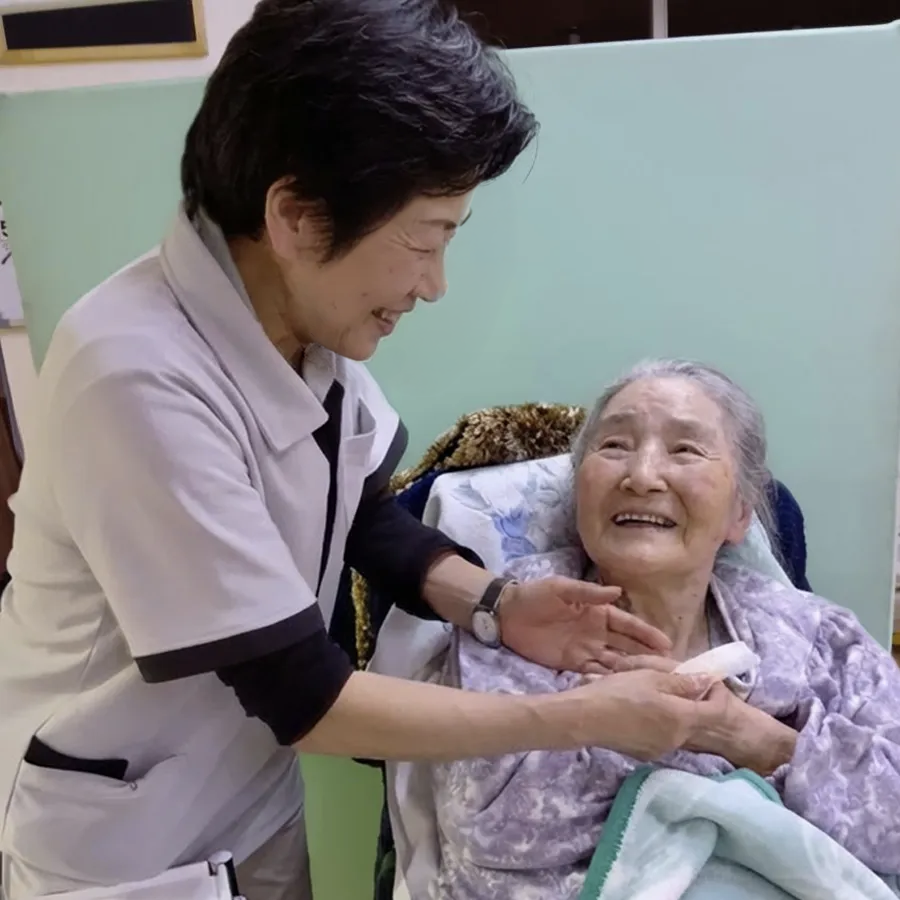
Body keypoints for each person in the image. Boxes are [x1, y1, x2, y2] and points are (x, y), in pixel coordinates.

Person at [0, 6, 742, 900]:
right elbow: (304, 695)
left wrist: (497, 604)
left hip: (245, 795)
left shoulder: (301, 329)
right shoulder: (134, 376)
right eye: (425, 240)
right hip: (123, 836)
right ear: (297, 217)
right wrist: (582, 716)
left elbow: (358, 514)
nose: (434, 285)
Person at [430, 359, 900, 900]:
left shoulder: (817, 636)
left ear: (740, 513)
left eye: (685, 450)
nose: (642, 476)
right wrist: (626, 724)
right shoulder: (518, 612)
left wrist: (746, 735)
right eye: (614, 446)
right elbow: (492, 830)